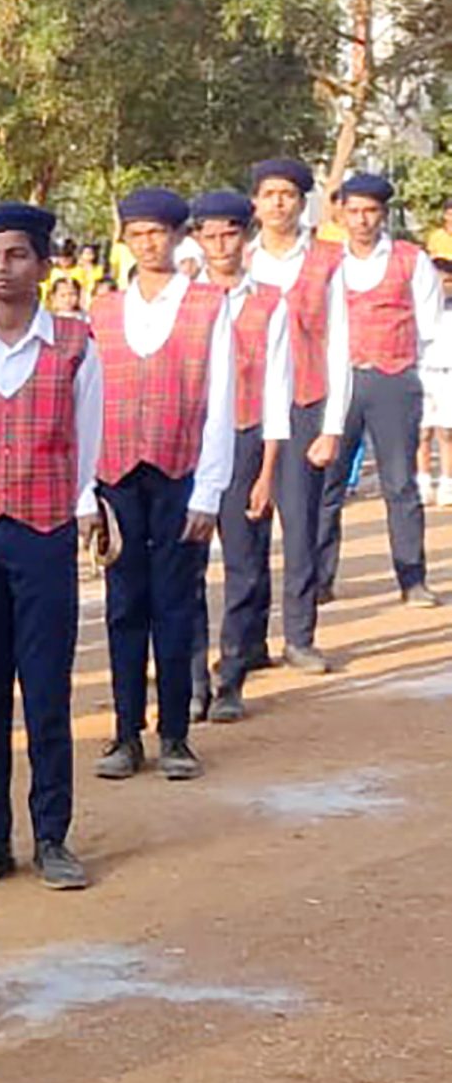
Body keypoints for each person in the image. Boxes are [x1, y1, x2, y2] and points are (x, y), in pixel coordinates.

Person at [0, 204, 101, 893]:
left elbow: (87, 437)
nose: (1, 269)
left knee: (44, 690)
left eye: (15, 256)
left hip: (43, 532)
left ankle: (53, 836)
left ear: (41, 264)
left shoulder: (71, 344)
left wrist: (84, 504)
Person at [88, 188, 235, 782]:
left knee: (176, 604)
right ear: (125, 238)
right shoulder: (102, 309)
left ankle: (175, 734)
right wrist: (84, 493)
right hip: (116, 473)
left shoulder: (208, 305)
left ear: (179, 237)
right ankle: (126, 734)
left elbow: (222, 398)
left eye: (159, 232)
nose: (148, 243)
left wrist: (211, 488)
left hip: (181, 471)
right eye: (137, 233)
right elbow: (86, 402)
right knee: (124, 605)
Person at [316, 171, 444, 609]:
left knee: (399, 483)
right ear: (342, 214)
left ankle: (412, 579)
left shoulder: (412, 259)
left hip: (394, 379)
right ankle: (318, 578)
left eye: (371, 211)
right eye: (354, 211)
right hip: (339, 382)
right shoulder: (328, 261)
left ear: (383, 214)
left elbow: (428, 327)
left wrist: (415, 383)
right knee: (327, 483)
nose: (362, 220)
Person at [188, 191, 291, 724]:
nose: (220, 245)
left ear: (244, 237)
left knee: (245, 564)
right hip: (190, 443)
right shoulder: (183, 299)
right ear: (197, 239)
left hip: (247, 437)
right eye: (209, 234)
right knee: (185, 564)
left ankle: (232, 674)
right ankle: (192, 679)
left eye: (229, 233)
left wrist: (269, 468)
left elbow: (278, 387)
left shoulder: (270, 301)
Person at [246, 156, 341, 672]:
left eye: (288, 193)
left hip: (306, 401)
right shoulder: (238, 259)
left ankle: (300, 636)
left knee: (300, 524)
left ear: (303, 202)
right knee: (247, 524)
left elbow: (341, 344)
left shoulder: (329, 260)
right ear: (256, 203)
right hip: (247, 407)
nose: (278, 202)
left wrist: (332, 425)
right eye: (269, 193)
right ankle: (251, 639)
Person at [423, 258, 452, 504]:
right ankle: (422, 480)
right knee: (421, 432)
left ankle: (447, 482)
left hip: (448, 375)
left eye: (447, 280)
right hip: (421, 374)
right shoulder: (418, 309)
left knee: (446, 433)